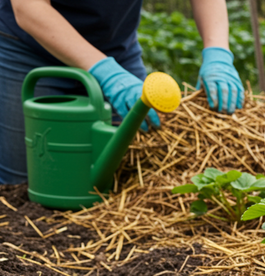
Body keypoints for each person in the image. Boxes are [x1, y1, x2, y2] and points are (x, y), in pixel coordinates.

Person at [0, 0, 245, 184]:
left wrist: (218, 51)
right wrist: (107, 73)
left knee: (140, 173)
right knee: (29, 185)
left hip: (116, 49)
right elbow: (28, 8)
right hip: (28, 51)